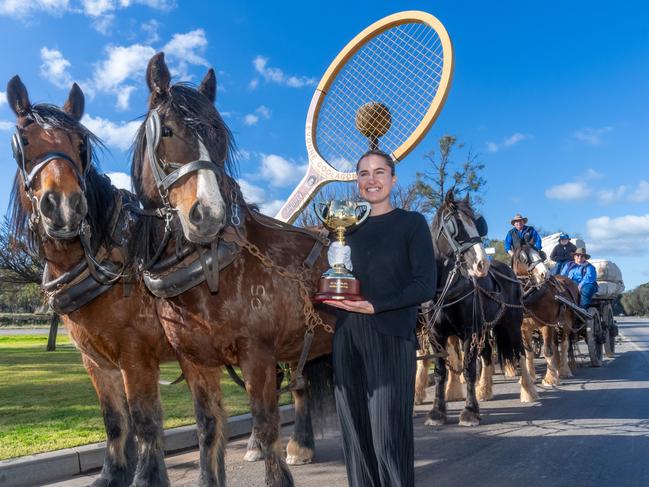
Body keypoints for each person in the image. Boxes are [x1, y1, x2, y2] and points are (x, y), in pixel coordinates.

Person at [323, 149, 436, 487]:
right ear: (357, 182)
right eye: (363, 174)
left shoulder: (411, 223)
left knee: (388, 437)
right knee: (355, 439)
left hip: (390, 334)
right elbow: (335, 279)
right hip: (347, 337)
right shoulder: (343, 228)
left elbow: (425, 285)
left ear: (393, 178)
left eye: (379, 172)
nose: (371, 180)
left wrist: (375, 305)